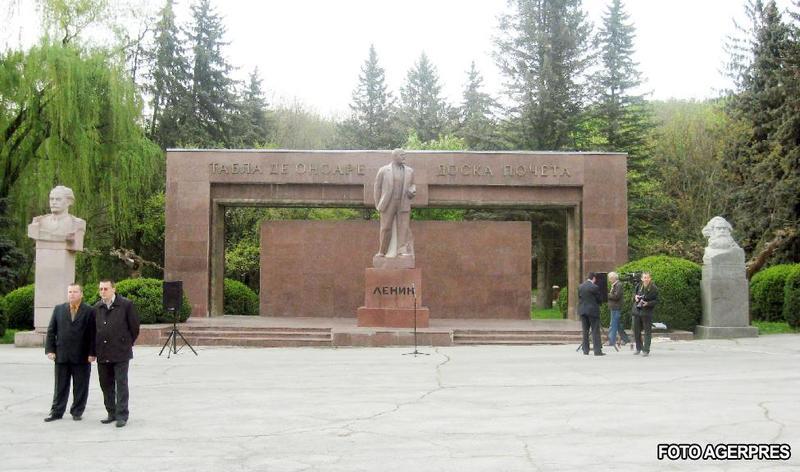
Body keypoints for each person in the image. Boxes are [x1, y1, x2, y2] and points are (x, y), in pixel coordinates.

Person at [43, 284, 96, 422]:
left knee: (81, 386)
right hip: (62, 355)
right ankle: (56, 412)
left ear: (81, 294)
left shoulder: (89, 311)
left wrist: (92, 353)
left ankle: (77, 411)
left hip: (82, 356)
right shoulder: (59, 309)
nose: (72, 294)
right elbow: (51, 331)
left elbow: (92, 334)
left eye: (75, 292)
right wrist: (50, 350)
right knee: (60, 386)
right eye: (69, 292)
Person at [94, 280, 140, 427]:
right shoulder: (97, 307)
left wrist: (126, 342)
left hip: (120, 352)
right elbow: (93, 330)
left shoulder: (126, 305)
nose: (103, 291)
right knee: (105, 384)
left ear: (114, 289)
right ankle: (111, 412)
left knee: (121, 384)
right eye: (100, 289)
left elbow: (134, 327)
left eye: (106, 288)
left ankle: (122, 415)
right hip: (102, 352)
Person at [373, 148, 416, 258]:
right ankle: (382, 251)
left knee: (403, 227)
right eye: (402, 155)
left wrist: (412, 190)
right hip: (388, 203)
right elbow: (377, 188)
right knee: (385, 227)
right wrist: (378, 204)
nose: (404, 157)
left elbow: (412, 185)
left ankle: (401, 250)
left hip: (403, 202)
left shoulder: (409, 171)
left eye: (404, 155)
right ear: (395, 156)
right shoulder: (383, 170)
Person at [27, 185, 86, 251]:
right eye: (51, 199)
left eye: (58, 199)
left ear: (69, 202)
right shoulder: (39, 221)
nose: (53, 202)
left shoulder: (77, 223)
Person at [578, 272, 604, 356]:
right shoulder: (595, 287)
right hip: (592, 311)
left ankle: (585, 350)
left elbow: (580, 298)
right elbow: (599, 299)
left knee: (585, 331)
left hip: (583, 311)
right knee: (595, 330)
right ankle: (597, 351)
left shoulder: (580, 286)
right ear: (594, 278)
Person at [632, 272, 658, 357]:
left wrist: (647, 303)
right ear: (642, 279)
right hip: (637, 311)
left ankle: (646, 350)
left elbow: (656, 301)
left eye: (647, 278)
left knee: (647, 331)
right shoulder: (639, 286)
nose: (646, 279)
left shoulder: (653, 288)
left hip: (646, 312)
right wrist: (635, 297)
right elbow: (633, 295)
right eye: (644, 278)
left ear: (650, 279)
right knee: (636, 331)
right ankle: (638, 348)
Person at [606, 272, 629, 347]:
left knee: (613, 324)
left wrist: (607, 295)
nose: (609, 280)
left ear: (613, 278)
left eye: (610, 278)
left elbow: (616, 296)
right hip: (614, 307)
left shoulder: (619, 285)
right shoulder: (614, 285)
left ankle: (611, 341)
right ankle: (625, 339)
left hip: (616, 307)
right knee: (618, 324)